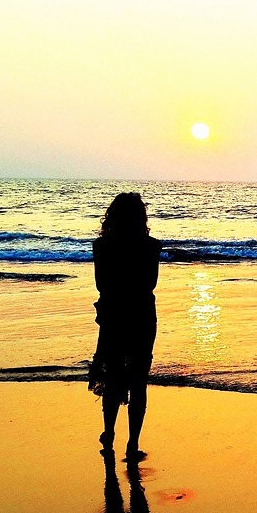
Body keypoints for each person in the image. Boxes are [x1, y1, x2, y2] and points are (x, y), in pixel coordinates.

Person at [89, 192, 162, 460]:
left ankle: (109, 431)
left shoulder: (102, 246)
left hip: (113, 315)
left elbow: (101, 285)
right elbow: (149, 285)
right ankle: (133, 444)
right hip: (142, 315)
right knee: (138, 381)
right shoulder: (152, 246)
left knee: (113, 376)